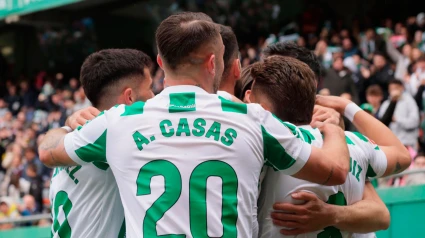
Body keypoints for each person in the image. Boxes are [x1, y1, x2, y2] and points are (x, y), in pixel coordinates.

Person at [39, 12, 350, 238]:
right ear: (214, 62)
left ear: (160, 63)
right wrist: (334, 130)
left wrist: (68, 125)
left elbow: (48, 152)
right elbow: (335, 171)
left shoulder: (118, 120)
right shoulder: (252, 118)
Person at [245, 56, 409, 238]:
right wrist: (346, 106)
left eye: (250, 100)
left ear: (263, 111)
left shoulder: (262, 141)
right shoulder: (352, 143)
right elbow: (402, 155)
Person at [48, 49, 154, 238]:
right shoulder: (116, 134)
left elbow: (44, 148)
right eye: (150, 87)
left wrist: (66, 124)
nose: (153, 96)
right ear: (129, 97)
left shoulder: (74, 136)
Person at [378, 79, 419, 149]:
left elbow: (415, 122)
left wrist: (397, 120)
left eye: (395, 88)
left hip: (407, 144)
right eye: (391, 89)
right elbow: (381, 124)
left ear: (401, 88)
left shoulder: (410, 102)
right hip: (391, 145)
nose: (393, 91)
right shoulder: (385, 104)